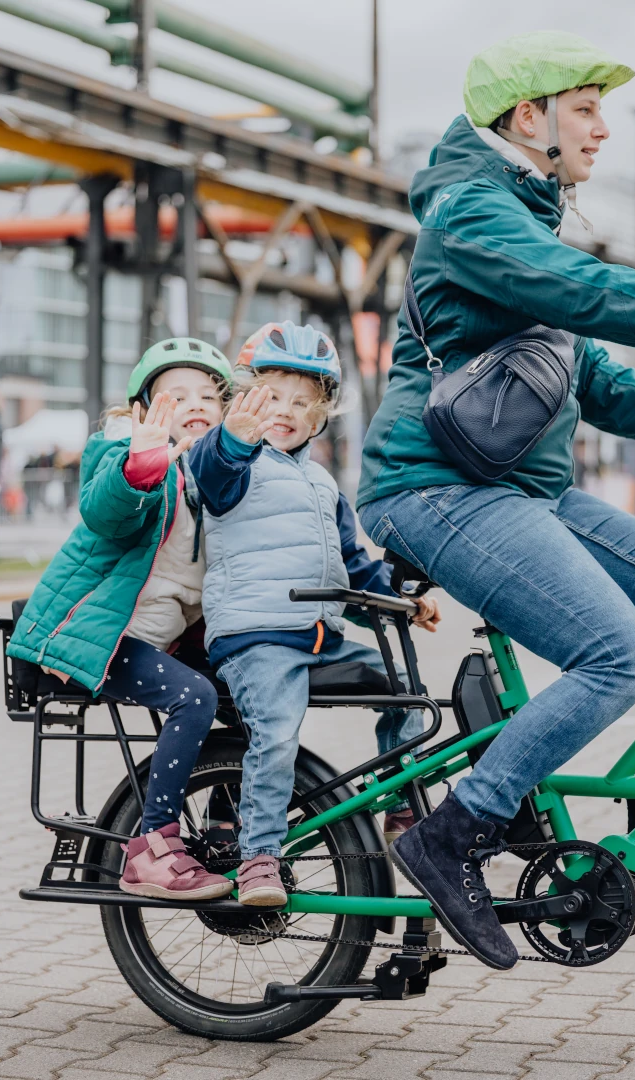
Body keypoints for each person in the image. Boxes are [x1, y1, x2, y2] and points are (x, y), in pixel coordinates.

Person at [357, 30, 635, 971]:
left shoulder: (530, 222)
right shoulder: (473, 215)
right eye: (587, 109)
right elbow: (589, 293)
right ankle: (454, 834)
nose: (603, 130)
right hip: (432, 490)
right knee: (615, 653)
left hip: (524, 491)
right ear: (531, 118)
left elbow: (611, 390)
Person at [189, 321, 441, 906]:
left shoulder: (322, 481)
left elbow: (352, 563)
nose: (285, 411)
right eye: (271, 396)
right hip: (258, 636)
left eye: (302, 403)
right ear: (244, 399)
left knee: (405, 689)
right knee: (275, 734)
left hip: (318, 634)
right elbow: (212, 477)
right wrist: (234, 436)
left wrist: (402, 601)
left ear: (321, 413)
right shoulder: (232, 459)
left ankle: (401, 806)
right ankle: (258, 858)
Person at [8, 338, 237, 902]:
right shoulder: (126, 452)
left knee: (254, 691)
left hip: (166, 639)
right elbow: (106, 512)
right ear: (141, 410)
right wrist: (144, 458)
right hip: (99, 639)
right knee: (195, 699)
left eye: (210, 395)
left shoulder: (213, 475)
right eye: (176, 395)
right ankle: (152, 848)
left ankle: (226, 829)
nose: (196, 403)